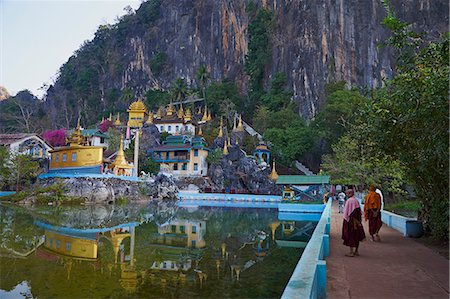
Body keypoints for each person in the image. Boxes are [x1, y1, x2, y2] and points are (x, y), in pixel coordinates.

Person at [342, 189, 366, 257]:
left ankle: (351, 252)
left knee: (351, 236)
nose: (346, 195)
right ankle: (356, 251)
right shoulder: (356, 200)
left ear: (350, 193)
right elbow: (359, 212)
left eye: (347, 193)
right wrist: (359, 221)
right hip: (357, 221)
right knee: (357, 235)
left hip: (351, 222)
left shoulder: (349, 201)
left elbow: (350, 213)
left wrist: (351, 220)